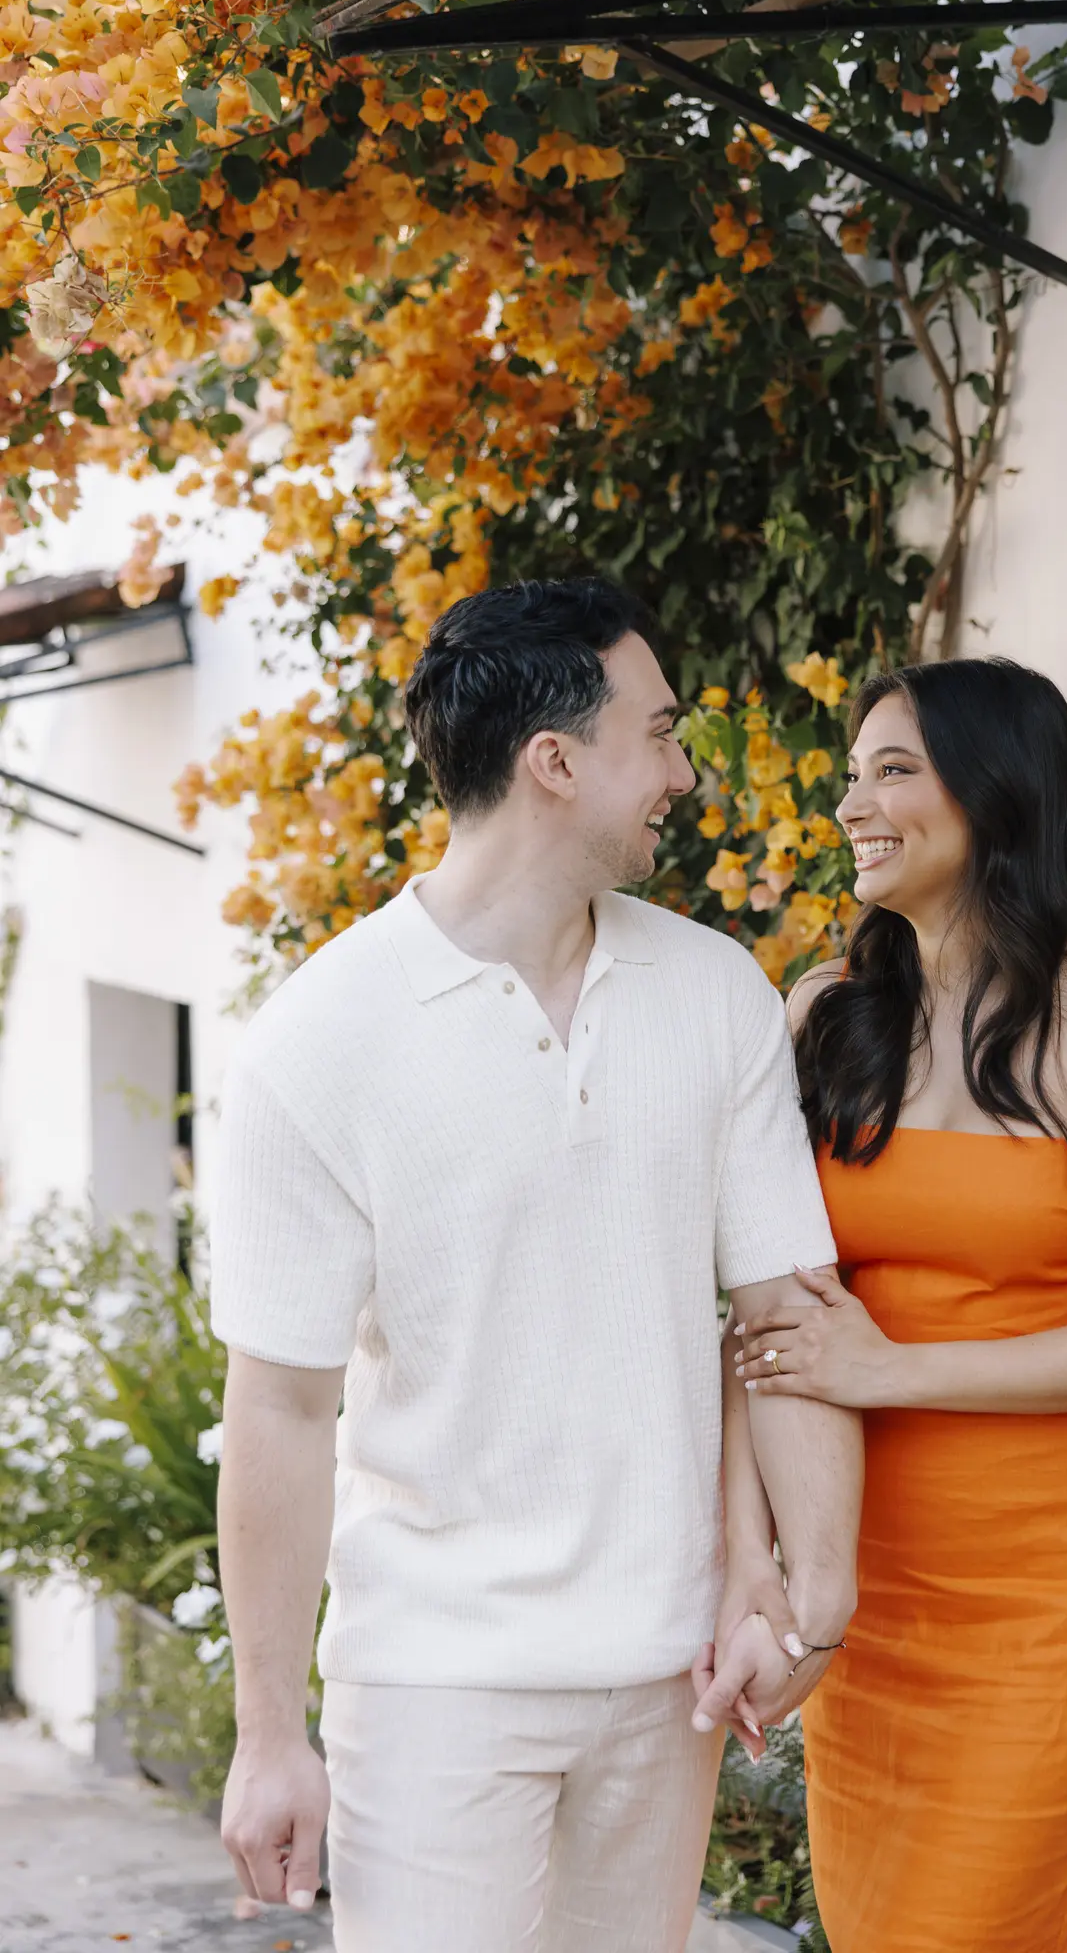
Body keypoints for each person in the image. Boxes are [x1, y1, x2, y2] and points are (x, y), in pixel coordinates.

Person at [208, 576, 862, 1953]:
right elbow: (280, 1408)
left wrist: (805, 1596)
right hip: (435, 1683)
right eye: (660, 733)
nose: (683, 774)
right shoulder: (318, 1041)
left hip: (670, 1671)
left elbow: (787, 1318)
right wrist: (268, 1736)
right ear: (554, 762)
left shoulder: (714, 994)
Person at [733, 658, 1067, 1953]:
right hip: (861, 1579)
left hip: (1055, 1584)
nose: (851, 805)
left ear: (997, 790)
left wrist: (894, 1370)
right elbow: (755, 1318)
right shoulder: (821, 1016)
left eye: (893, 771)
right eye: (852, 775)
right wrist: (756, 1560)